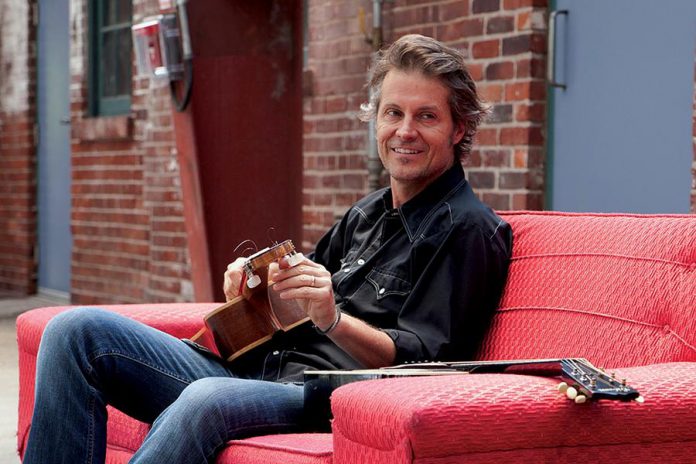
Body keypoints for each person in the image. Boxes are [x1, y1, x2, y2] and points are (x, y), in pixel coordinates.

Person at [23, 34, 512, 464]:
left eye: (426, 116)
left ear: (459, 128)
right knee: (74, 330)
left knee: (205, 399)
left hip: (322, 396)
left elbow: (423, 366)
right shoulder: (367, 212)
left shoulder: (467, 230)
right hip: (259, 372)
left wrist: (333, 320)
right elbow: (300, 310)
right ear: (376, 120)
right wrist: (260, 295)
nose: (404, 131)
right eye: (393, 113)